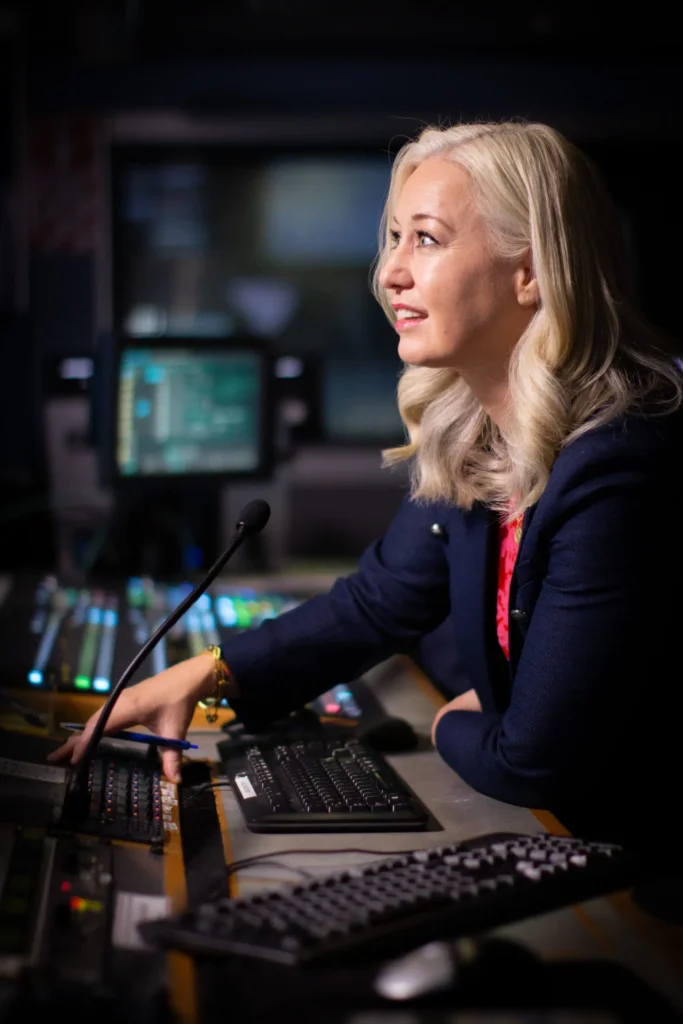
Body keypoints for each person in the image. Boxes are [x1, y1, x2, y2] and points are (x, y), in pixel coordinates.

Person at [51, 120, 683, 847]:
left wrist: (453, 722)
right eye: (392, 239)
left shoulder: (618, 465)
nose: (390, 274)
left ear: (531, 271)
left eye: (427, 238)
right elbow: (379, 600)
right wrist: (204, 674)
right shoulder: (481, 433)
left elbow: (532, 764)